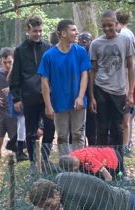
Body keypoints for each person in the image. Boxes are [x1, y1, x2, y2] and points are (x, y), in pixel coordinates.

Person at [89, 10, 135, 172]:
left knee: (118, 129)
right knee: (101, 129)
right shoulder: (96, 44)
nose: (107, 29)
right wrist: (92, 96)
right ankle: (102, 167)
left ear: (116, 24)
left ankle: (119, 167)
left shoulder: (125, 40)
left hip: (119, 91)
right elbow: (92, 71)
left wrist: (130, 93)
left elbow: (130, 67)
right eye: (104, 26)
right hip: (101, 88)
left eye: (110, 25)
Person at [39, 19, 92, 155]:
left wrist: (80, 97)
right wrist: (48, 105)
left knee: (78, 135)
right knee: (62, 137)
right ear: (63, 33)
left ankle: (79, 164)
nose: (77, 33)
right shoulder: (49, 56)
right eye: (73, 30)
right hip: (59, 103)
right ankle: (66, 166)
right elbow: (44, 82)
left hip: (78, 103)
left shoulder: (80, 52)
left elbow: (84, 75)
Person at [11, 16, 55, 167]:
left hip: (47, 96)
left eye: (40, 31)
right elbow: (15, 75)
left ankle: (44, 159)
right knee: (30, 131)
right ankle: (33, 162)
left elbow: (52, 72)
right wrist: (16, 98)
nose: (38, 34)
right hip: (29, 96)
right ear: (28, 30)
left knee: (50, 127)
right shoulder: (20, 50)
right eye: (35, 31)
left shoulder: (48, 48)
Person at [0, 48, 21, 162]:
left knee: (15, 143)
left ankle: (18, 166)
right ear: (1, 61)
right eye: (4, 62)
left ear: (14, 60)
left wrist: (11, 89)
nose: (7, 65)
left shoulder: (19, 73)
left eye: (9, 62)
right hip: (1, 112)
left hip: (14, 113)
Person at [78, 32, 98, 147]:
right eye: (81, 39)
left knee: (92, 127)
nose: (84, 41)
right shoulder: (75, 56)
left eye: (87, 39)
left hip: (92, 95)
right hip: (78, 96)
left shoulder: (95, 58)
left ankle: (92, 150)